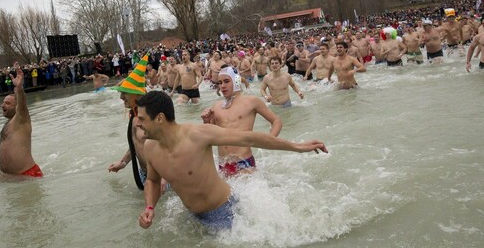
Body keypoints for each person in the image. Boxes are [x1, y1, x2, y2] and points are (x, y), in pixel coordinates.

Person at [136, 90, 327, 231]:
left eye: (142, 119)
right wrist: (150, 207)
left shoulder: (198, 136)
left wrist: (297, 147)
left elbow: (249, 138)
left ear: (159, 118)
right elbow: (152, 180)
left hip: (224, 211)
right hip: (192, 214)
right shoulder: (150, 148)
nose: (137, 123)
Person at [200, 67, 282, 177]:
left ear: (236, 81)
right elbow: (209, 137)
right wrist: (206, 122)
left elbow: (276, 121)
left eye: (226, 81)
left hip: (244, 164)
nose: (222, 86)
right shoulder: (216, 106)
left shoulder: (251, 101)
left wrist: (269, 140)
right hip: (223, 166)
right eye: (220, 83)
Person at [108, 55, 168, 192]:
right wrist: (122, 163)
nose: (121, 97)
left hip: (161, 176)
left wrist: (165, 177)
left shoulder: (153, 116)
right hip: (144, 174)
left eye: (124, 93)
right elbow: (136, 144)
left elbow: (170, 145)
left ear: (136, 93)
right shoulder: (134, 115)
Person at [0, 63, 43, 178]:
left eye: (7, 103)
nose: (3, 105)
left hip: (27, 175)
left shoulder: (21, 118)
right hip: (7, 176)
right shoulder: (9, 123)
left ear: (17, 106)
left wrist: (19, 88)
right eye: (3, 102)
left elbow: (22, 106)